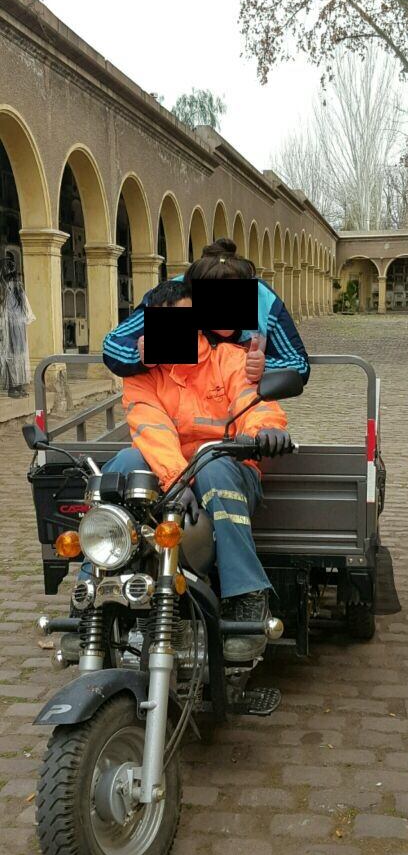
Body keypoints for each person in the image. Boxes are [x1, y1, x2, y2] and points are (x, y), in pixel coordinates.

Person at [97, 271, 294, 663]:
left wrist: (268, 432)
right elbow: (149, 428)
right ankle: (94, 591)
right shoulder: (143, 376)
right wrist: (175, 479)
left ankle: (246, 595)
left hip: (228, 471)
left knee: (215, 465)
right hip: (174, 474)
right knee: (120, 466)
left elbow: (257, 406)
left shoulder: (230, 359)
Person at [102, 237, 310, 387]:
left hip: (242, 412)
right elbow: (113, 344)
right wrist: (142, 356)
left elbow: (298, 364)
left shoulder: (263, 301)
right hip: (184, 413)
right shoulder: (177, 300)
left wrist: (263, 367)